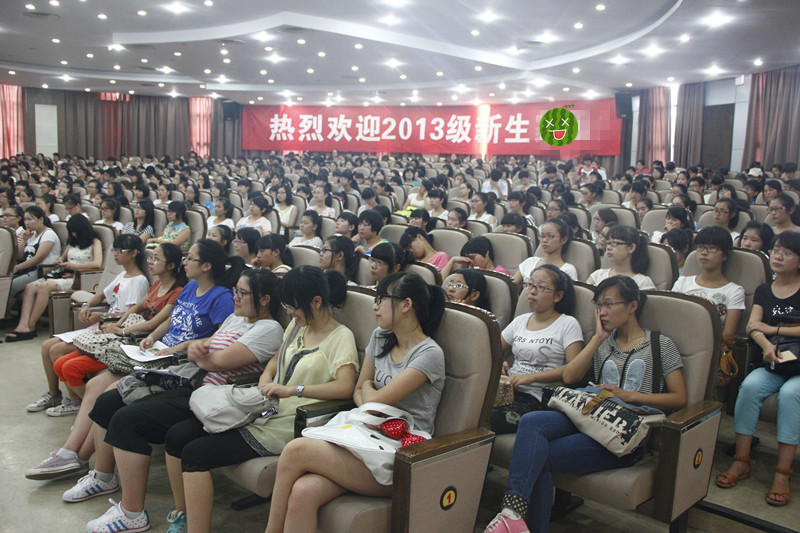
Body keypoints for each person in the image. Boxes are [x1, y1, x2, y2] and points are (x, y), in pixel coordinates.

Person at [79, 268, 286, 533]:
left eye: (243, 293)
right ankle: (103, 476)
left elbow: (219, 360)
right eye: (236, 290)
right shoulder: (237, 318)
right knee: (110, 400)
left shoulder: (269, 329)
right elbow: (208, 345)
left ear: (265, 299)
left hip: (214, 399)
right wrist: (192, 348)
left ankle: (132, 513)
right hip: (193, 384)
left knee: (126, 420)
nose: (235, 297)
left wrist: (198, 353)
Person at [483, 276, 686, 533]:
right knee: (532, 421)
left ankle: (517, 520)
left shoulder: (660, 344)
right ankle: (512, 513)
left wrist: (628, 396)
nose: (602, 312)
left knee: (538, 456)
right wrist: (598, 338)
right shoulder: (603, 344)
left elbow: (679, 398)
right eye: (598, 305)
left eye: (609, 304)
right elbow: (570, 376)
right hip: (590, 417)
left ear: (633, 306)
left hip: (624, 433)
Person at [168, 267, 359, 533]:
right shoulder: (298, 326)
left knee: (195, 454)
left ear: (316, 302)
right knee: (178, 434)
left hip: (292, 422)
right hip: (266, 408)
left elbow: (345, 387)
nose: (290, 314)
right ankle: (182, 515)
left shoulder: (341, 337)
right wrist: (266, 378)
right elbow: (275, 359)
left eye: (293, 308)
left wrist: (293, 391)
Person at [60, 240, 242, 503]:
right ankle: (84, 462)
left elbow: (219, 338)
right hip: (157, 352)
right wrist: (152, 337)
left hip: (178, 362)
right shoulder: (190, 287)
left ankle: (90, 465)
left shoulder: (221, 297)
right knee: (97, 388)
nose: (185, 263)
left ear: (206, 266)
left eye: (190, 258)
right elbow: (170, 319)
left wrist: (178, 347)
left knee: (110, 392)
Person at [264, 271, 446, 533]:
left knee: (295, 451)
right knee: (303, 491)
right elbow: (358, 393)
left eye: (381, 299)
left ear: (406, 304)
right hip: (366, 437)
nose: (375, 306)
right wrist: (368, 394)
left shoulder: (429, 354)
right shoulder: (381, 337)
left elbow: (370, 397)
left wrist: (368, 391)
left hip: (401, 456)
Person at [26, 243, 185, 483]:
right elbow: (138, 308)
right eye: (150, 257)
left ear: (171, 265)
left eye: (156, 259)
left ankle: (81, 459)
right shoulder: (156, 285)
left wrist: (123, 331)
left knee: (95, 385)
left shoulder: (178, 291)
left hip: (145, 345)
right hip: (137, 339)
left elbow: (156, 323)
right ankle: (69, 452)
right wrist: (119, 324)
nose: (150, 262)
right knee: (70, 366)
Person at [716, 231, 800, 507]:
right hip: (773, 360)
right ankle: (742, 460)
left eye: (787, 253)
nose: (778, 256)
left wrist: (774, 330)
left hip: (799, 368)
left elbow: (764, 326)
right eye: (776, 250)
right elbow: (753, 326)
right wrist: (766, 344)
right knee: (749, 387)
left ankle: (782, 473)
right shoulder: (765, 289)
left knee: (790, 395)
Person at [31, 235, 149, 416]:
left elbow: (131, 315)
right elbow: (101, 295)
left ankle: (74, 401)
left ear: (134, 253)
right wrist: (87, 305)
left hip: (111, 329)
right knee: (47, 345)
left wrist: (100, 315)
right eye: (114, 250)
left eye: (120, 251)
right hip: (101, 325)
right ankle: (54, 394)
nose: (116, 254)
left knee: (55, 350)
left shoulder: (139, 281)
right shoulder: (122, 275)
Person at [492, 265, 584, 434]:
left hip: (537, 398)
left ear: (558, 296)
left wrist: (531, 378)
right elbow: (493, 350)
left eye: (541, 287)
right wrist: (501, 363)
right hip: (507, 391)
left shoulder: (568, 324)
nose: (532, 291)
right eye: (530, 285)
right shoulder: (521, 320)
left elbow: (573, 369)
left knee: (491, 420)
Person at [7, 214, 101, 342]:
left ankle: (30, 326)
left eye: (75, 231)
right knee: (30, 287)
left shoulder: (95, 242)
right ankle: (22, 325)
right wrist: (60, 261)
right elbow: (63, 257)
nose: (73, 234)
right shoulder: (72, 242)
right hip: (64, 273)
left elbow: (97, 263)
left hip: (79, 278)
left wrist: (74, 266)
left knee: (45, 286)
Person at [672, 227, 745, 339]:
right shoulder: (682, 283)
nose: (704, 253)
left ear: (725, 255)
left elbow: (728, 335)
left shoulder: (734, 291)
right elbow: (672, 319)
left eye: (711, 248)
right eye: (700, 247)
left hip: (713, 345)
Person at [8, 205, 61, 300]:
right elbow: (19, 256)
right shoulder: (32, 234)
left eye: (29, 219)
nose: (26, 223)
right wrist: (24, 240)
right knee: (4, 282)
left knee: (9, 286)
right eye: (25, 220)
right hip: (27, 270)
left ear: (40, 219)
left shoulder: (49, 234)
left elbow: (38, 258)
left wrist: (17, 268)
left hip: (40, 271)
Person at [587, 225, 655, 290]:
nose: (608, 248)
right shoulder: (598, 275)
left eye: (614, 243)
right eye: (608, 243)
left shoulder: (643, 283)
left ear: (631, 248)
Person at [514, 218, 578, 283]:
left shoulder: (567, 270)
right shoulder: (530, 262)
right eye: (542, 236)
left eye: (550, 236)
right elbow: (512, 286)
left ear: (563, 240)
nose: (544, 240)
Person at [441, 235, 509, 278]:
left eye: (473, 257)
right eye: (467, 259)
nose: (471, 262)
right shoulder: (469, 273)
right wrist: (452, 260)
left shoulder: (500, 273)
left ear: (486, 253)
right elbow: (441, 283)